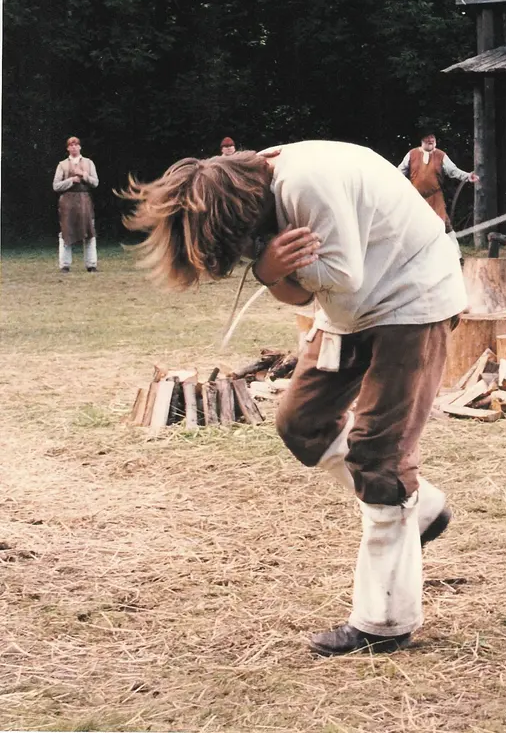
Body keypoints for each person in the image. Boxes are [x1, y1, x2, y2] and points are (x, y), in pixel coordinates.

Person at [121, 141, 466, 655]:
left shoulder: (305, 183)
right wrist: (269, 271)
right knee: (301, 423)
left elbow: (341, 277)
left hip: (411, 300)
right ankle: (421, 511)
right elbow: (299, 293)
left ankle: (384, 621)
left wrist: (269, 268)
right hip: (352, 310)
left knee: (379, 457)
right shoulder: (263, 188)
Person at [397, 132, 478, 256]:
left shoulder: (441, 155)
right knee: (412, 225)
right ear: (422, 139)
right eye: (427, 137)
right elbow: (399, 172)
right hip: (416, 197)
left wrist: (467, 176)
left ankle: (456, 255)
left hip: (435, 197)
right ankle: (412, 256)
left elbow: (453, 171)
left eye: (432, 137)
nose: (430, 139)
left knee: (444, 225)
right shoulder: (412, 154)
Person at [53, 136, 99, 273]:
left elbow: (95, 183)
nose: (73, 147)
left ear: (80, 147)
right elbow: (56, 186)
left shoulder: (89, 163)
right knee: (65, 232)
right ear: (68, 148)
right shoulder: (62, 165)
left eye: (76, 144)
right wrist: (71, 180)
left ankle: (91, 265)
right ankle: (65, 265)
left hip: (84, 200)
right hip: (67, 201)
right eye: (71, 145)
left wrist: (84, 175)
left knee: (89, 232)